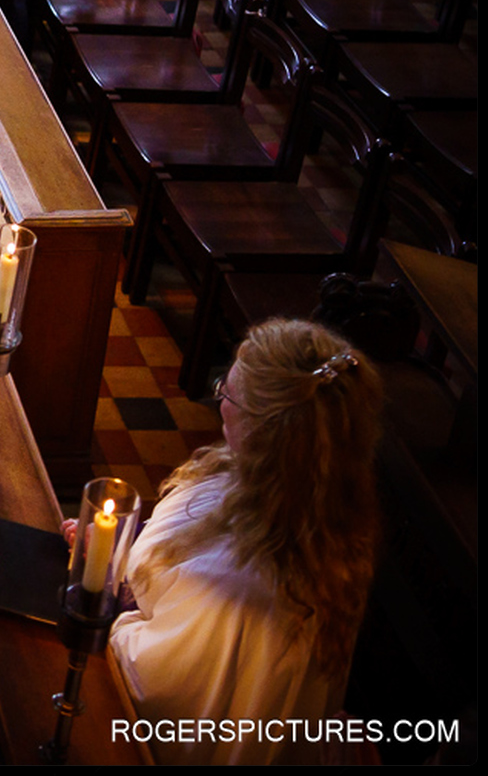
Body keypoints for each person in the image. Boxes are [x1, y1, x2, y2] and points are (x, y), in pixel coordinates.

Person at [103, 320, 384, 763]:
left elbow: (152, 688)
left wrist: (115, 607)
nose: (220, 404)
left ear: (266, 431)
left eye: (227, 394)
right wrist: (115, 546)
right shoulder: (320, 499)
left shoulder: (232, 589)